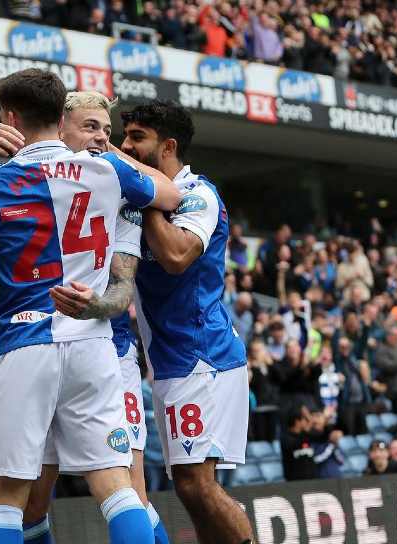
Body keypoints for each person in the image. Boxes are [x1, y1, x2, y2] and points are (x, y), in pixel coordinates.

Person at [0, 69, 179, 544]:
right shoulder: (110, 174)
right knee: (117, 488)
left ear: (9, 119)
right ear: (62, 118)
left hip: (24, 342)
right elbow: (170, 193)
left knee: (6, 494)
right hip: (93, 347)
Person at [22, 91, 170, 544]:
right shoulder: (22, 177)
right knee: (29, 499)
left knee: (131, 487)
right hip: (32, 345)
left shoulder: (117, 187)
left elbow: (124, 286)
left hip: (106, 350)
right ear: (58, 127)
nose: (102, 138)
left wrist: (97, 306)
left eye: (107, 130)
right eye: (91, 127)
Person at [117, 100, 253, 543]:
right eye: (126, 136)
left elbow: (175, 256)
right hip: (169, 360)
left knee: (198, 484)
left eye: (138, 137)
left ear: (168, 146)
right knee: (190, 488)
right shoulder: (138, 194)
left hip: (203, 356)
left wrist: (147, 198)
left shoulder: (198, 193)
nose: (126, 145)